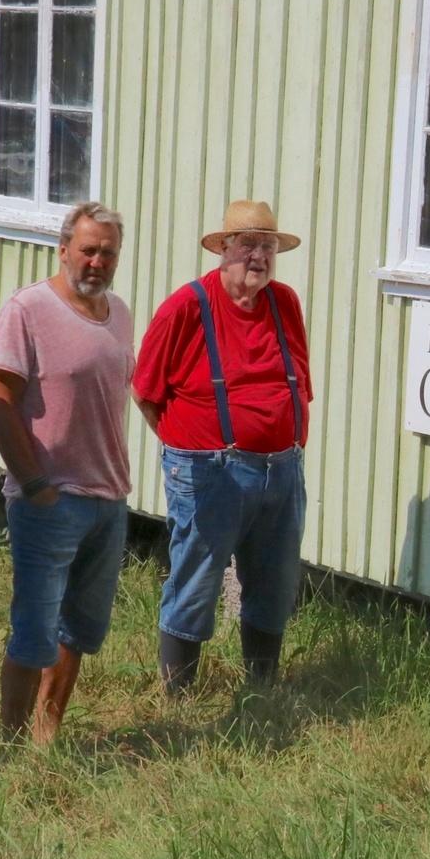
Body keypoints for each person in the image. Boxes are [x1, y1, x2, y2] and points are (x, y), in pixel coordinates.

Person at [133, 200, 311, 693]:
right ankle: (179, 695)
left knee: (274, 582)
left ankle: (261, 687)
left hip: (282, 468)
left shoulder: (285, 303)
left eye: (268, 246)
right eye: (248, 244)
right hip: (210, 470)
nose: (259, 256)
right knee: (197, 582)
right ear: (223, 250)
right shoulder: (187, 306)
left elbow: (298, 380)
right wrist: (188, 451)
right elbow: (146, 391)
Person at [0, 202, 134, 743]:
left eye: (108, 252)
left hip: (108, 498)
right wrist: (36, 484)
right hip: (50, 500)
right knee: (35, 632)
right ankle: (6, 745)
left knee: (79, 631)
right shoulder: (28, 308)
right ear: (64, 248)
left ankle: (45, 739)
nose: (97, 261)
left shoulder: (119, 312)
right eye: (88, 250)